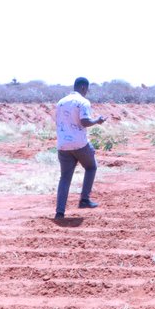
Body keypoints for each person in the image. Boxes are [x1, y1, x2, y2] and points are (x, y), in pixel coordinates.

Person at [54, 77, 108, 219]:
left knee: (65, 178)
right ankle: (84, 199)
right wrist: (97, 121)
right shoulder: (83, 102)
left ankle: (59, 212)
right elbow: (84, 121)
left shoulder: (61, 102)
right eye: (87, 89)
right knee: (91, 167)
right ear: (84, 88)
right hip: (79, 143)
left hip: (63, 145)